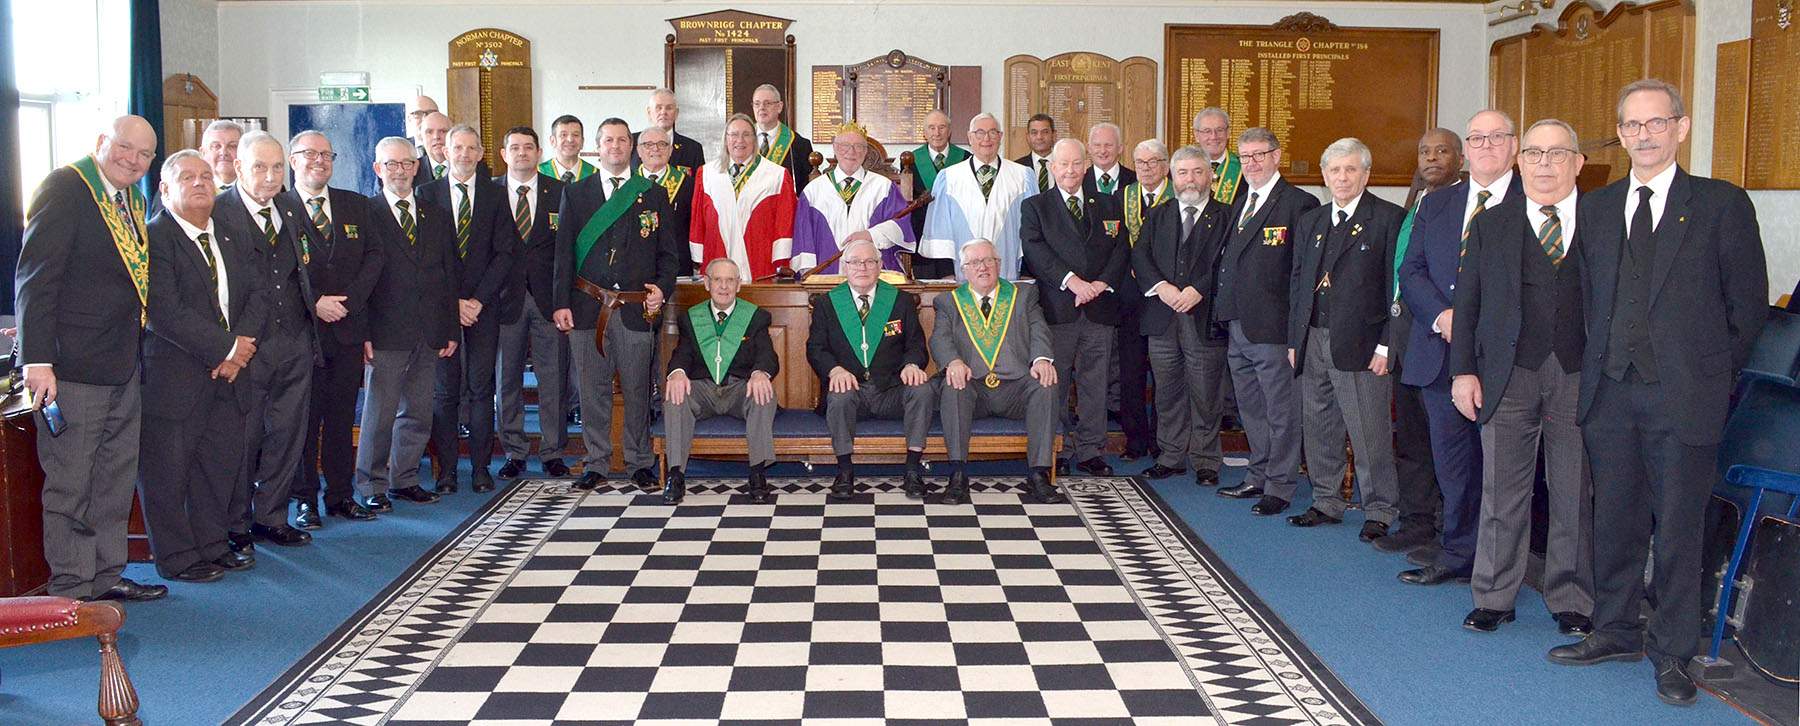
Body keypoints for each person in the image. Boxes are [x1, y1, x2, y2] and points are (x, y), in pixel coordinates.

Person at [1550, 79, 1767, 707]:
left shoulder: (1721, 204)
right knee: (1615, 521)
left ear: (1681, 127)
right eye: (1631, 125)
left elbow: (1748, 308)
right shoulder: (1596, 208)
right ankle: (1615, 629)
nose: (1643, 135)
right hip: (1610, 394)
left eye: (1656, 123)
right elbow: (1583, 300)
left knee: (1677, 529)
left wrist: (1710, 378)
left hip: (1685, 399)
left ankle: (1673, 651)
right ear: (1619, 135)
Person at [1450, 118, 1596, 635]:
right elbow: (1467, 304)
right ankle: (1493, 595)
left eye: (1557, 154)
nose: (1544, 164)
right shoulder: (1491, 223)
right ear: (1520, 161)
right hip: (1507, 374)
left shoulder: (1603, 220)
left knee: (1573, 490)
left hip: (1579, 374)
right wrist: (1463, 371)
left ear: (1578, 163)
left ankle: (1572, 599)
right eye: (1534, 153)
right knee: (1502, 489)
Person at [17, 116, 164, 601]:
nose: (133, 160)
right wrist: (38, 360)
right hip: (72, 368)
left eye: (144, 154)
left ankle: (105, 575)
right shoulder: (65, 187)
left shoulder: (132, 199)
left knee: (114, 480)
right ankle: (72, 589)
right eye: (124, 148)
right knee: (72, 482)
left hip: (122, 363)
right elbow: (36, 278)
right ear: (101, 142)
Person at [1395, 114, 1515, 579]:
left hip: (1505, 358)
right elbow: (1411, 271)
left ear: (1513, 147)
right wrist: (1444, 316)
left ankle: (1500, 561)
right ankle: (1459, 552)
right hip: (1439, 351)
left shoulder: (1533, 200)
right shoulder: (1437, 203)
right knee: (1453, 464)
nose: (1487, 146)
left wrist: (1473, 326)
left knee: (1502, 467)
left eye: (1496, 138)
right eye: (1478, 138)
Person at [139, 150, 262, 583]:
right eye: (187, 177)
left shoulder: (230, 234)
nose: (199, 184)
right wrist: (226, 349)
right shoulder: (153, 239)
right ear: (164, 189)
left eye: (206, 176)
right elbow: (164, 311)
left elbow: (258, 295)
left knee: (218, 466)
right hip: (174, 377)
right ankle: (177, 557)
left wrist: (238, 351)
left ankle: (212, 545)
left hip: (230, 374)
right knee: (167, 473)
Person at [553, 118, 683, 493]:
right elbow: (563, 255)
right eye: (608, 140)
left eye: (622, 140)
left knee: (638, 389)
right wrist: (561, 303)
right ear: (597, 147)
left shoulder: (653, 194)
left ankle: (639, 463)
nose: (615, 146)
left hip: (635, 310)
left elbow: (669, 255)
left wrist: (662, 289)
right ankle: (597, 462)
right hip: (586, 307)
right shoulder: (576, 193)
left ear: (632, 147)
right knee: (592, 389)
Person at [1287, 137, 1404, 539]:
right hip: (1313, 338)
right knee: (1319, 425)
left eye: (1351, 169)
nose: (1342, 177)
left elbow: (1396, 289)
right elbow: (1299, 282)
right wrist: (1294, 340)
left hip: (1363, 344)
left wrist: (1387, 344)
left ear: (1366, 174)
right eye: (1334, 170)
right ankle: (1326, 501)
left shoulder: (1388, 218)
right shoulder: (1312, 221)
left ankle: (1380, 509)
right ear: (1324, 176)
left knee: (1369, 432)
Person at [213, 131, 319, 548]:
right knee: (243, 439)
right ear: (239, 168)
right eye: (260, 167)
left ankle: (271, 517)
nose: (271, 176)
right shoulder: (218, 212)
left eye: (277, 167)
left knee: (288, 434)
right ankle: (235, 524)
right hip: (243, 347)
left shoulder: (290, 207)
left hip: (294, 341)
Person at [1212, 127, 1320, 515]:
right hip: (1237, 324)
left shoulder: (1299, 204)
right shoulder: (1242, 200)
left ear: (1276, 156)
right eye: (1245, 156)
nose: (1252, 163)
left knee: (1281, 411)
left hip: (1274, 328)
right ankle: (1257, 474)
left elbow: (1301, 273)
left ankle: (1280, 485)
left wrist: (1295, 334)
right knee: (1252, 409)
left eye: (1260, 154)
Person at [354, 136, 460, 514]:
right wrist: (362, 332)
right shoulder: (365, 213)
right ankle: (372, 484)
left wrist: (450, 328)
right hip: (384, 332)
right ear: (377, 169)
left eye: (406, 163)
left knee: (417, 412)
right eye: (391, 164)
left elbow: (449, 274)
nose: (399, 171)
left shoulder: (436, 214)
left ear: (417, 167)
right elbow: (359, 280)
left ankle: (405, 479)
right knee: (380, 415)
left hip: (428, 331)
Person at [283, 130, 381, 527]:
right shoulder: (280, 207)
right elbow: (276, 273)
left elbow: (374, 257)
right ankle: (305, 500)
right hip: (300, 333)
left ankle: (341, 495)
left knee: (341, 420)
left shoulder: (355, 204)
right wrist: (315, 303)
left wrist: (349, 302)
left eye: (326, 154)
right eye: (310, 154)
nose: (319, 161)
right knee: (304, 422)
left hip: (347, 330)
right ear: (293, 160)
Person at [419, 124, 520, 494]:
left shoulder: (495, 194)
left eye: (471, 148)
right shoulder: (426, 193)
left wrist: (476, 300)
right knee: (445, 392)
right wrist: (453, 303)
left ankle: (480, 468)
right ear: (446, 152)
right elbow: (425, 258)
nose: (464, 154)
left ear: (480, 154)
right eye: (457, 148)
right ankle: (446, 470)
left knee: (481, 388)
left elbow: (505, 253)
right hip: (441, 309)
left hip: (484, 307)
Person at [1020, 138, 1128, 477]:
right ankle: (1060, 449)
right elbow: (1035, 251)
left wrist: (1099, 284)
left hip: (1099, 307)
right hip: (1058, 309)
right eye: (1063, 164)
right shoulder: (1036, 206)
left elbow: (1121, 249)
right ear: (1052, 168)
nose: (1070, 170)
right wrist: (1073, 282)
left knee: (1096, 382)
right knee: (1057, 382)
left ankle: (1091, 450)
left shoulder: (1108, 204)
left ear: (1086, 166)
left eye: (1077, 163)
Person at [1378, 128, 1462, 561]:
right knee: (1411, 440)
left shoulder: (1464, 205)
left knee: (1446, 444)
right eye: (1425, 151)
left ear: (1460, 159)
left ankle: (1450, 530)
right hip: (1406, 338)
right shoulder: (1416, 205)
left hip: (1441, 338)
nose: (1431, 158)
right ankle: (1415, 522)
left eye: (1441, 151)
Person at [1132, 145, 1233, 488]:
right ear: (1172, 176)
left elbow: (1228, 261)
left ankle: (1206, 460)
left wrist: (1199, 289)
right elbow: (1140, 256)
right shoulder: (1158, 215)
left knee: (1206, 394)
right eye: (1183, 172)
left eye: (1197, 171)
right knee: (1168, 392)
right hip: (1162, 317)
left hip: (1204, 318)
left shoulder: (1226, 216)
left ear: (1210, 175)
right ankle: (1171, 457)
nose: (1190, 179)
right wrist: (1161, 287)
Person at [931, 238, 1061, 505]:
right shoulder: (949, 302)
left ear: (999, 264)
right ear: (963, 270)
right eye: (975, 262)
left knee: (1045, 384)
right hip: (974, 389)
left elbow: (1039, 329)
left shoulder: (1022, 295)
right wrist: (953, 361)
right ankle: (958, 474)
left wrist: (1041, 360)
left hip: (1016, 389)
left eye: (988, 260)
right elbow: (940, 338)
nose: (983, 267)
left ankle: (1038, 474)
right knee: (953, 386)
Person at [807, 239, 934, 500]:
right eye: (855, 262)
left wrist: (911, 364)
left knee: (922, 390)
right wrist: (834, 370)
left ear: (880, 266)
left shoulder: (900, 301)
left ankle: (912, 469)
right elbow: (816, 348)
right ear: (844, 268)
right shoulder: (827, 303)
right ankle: (844, 471)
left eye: (869, 262)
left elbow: (916, 345)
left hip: (890, 391)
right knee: (839, 394)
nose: (862, 267)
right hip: (851, 393)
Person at [662, 258, 778, 505]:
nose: (724, 286)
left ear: (738, 285)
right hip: (703, 390)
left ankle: (757, 473)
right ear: (707, 283)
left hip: (739, 389)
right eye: (717, 280)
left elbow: (767, 356)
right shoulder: (691, 318)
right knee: (675, 396)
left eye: (730, 280)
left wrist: (760, 373)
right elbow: (682, 354)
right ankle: (676, 475)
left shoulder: (756, 317)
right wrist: (677, 372)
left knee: (763, 394)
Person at [494, 126, 572, 481]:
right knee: (506, 379)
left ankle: (553, 451)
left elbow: (567, 251)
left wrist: (564, 299)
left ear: (540, 153)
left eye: (528, 147)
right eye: (515, 147)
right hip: (503, 300)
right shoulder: (489, 192)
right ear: (504, 154)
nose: (522, 152)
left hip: (549, 301)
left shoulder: (561, 192)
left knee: (552, 379)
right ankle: (514, 451)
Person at [919, 113, 1035, 279]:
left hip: (1008, 272)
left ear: (1000, 136)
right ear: (970, 137)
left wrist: (1026, 273)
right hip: (962, 276)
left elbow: (1032, 229)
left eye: (993, 132)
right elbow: (940, 232)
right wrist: (947, 274)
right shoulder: (949, 178)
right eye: (979, 133)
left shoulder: (1022, 176)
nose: (986, 138)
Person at [792, 122, 915, 274]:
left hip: (872, 275)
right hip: (826, 276)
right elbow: (803, 238)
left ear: (865, 151)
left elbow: (901, 226)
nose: (851, 152)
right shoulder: (814, 191)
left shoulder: (883, 187)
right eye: (845, 145)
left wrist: (871, 235)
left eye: (858, 146)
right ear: (835, 148)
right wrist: (809, 276)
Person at [1118, 138, 1173, 462]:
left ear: (1165, 166)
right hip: (1131, 297)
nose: (1147, 168)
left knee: (1167, 375)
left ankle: (1163, 440)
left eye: (1154, 162)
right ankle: (1135, 440)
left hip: (1166, 296)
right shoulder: (1123, 196)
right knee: (1131, 372)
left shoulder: (1179, 196)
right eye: (1141, 162)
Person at [690, 113, 796, 280]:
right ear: (725, 139)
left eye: (746, 134)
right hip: (717, 255)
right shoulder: (706, 174)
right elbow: (697, 220)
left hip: (760, 261)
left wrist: (781, 262)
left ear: (755, 139)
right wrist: (698, 257)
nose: (740, 140)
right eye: (734, 134)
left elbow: (785, 223)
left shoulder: (777, 175)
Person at [905, 109, 969, 278]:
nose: (937, 133)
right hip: (923, 237)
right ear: (925, 133)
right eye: (931, 128)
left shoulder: (965, 158)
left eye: (942, 127)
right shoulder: (910, 160)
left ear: (949, 131)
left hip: (956, 235)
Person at [749, 84, 815, 194]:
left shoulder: (800, 145)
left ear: (779, 107)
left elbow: (804, 190)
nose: (761, 108)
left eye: (767, 103)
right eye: (757, 103)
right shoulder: (741, 141)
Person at [636, 125, 695, 246]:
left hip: (677, 254)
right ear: (639, 150)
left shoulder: (689, 185)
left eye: (662, 144)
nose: (655, 149)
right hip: (636, 255)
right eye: (648, 144)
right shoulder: (626, 183)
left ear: (670, 150)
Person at [633, 88, 705, 171]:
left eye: (669, 108)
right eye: (659, 107)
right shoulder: (631, 142)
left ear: (676, 113)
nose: (663, 112)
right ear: (649, 112)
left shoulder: (693, 148)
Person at [1193, 107, 1248, 207]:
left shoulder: (1245, 169)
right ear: (1196, 135)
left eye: (1219, 130)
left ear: (1228, 133)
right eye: (1207, 131)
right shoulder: (1182, 170)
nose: (1214, 136)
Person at [538, 114, 598, 183]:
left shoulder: (595, 175)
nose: (570, 139)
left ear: (582, 141)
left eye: (575, 135)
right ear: (553, 141)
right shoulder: (538, 173)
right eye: (563, 135)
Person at [1014, 113, 1057, 194]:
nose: (1039, 137)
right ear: (1028, 136)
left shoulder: (1064, 165)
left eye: (1045, 132)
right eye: (1034, 132)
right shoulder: (1017, 167)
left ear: (1053, 135)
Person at [200, 120, 243, 193]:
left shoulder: (256, 190)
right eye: (216, 146)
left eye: (232, 146)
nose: (224, 152)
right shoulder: (195, 190)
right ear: (203, 153)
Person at [413, 111, 453, 187]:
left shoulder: (469, 167)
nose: (436, 137)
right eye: (429, 132)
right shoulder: (412, 171)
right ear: (421, 138)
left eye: (443, 131)